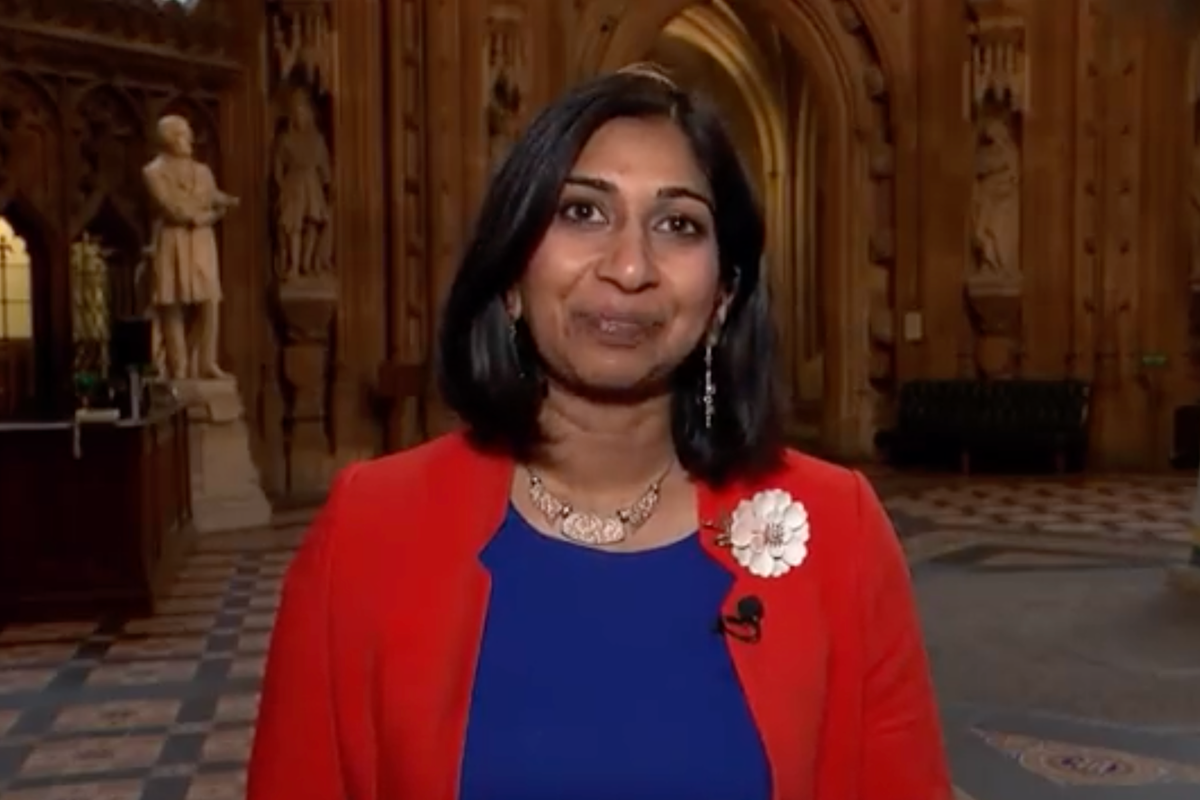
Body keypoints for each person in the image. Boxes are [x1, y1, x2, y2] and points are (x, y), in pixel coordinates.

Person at [248, 65, 953, 800]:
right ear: (513, 272)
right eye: (582, 212)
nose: (629, 266)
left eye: (678, 224)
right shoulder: (369, 527)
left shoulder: (838, 528)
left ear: (722, 296)